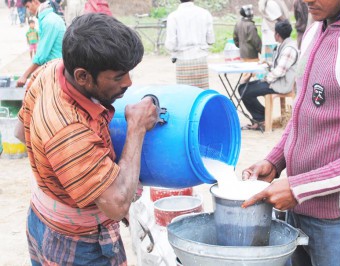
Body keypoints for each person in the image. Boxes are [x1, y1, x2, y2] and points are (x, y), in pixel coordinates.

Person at [241, 0, 340, 265]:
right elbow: (302, 112)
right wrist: (275, 160)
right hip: (295, 208)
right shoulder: (314, 30)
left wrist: (299, 187)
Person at [14, 13, 157, 265]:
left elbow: (20, 131)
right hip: (78, 244)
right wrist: (136, 128)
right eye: (118, 76)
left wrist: (70, 175)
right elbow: (117, 206)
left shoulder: (51, 70)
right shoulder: (70, 130)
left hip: (42, 216)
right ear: (82, 76)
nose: (128, 82)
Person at [239, 20, 298, 131]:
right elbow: (281, 65)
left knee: (244, 90)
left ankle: (262, 117)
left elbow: (280, 71)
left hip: (281, 84)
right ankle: (260, 117)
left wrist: (265, 79)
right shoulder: (285, 45)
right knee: (243, 88)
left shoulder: (289, 49)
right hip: (277, 81)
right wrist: (268, 63)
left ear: (277, 35)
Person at [165, 0, 215, 89]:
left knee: (185, 93)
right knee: (202, 93)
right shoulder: (205, 13)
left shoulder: (173, 16)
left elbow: (170, 45)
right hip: (200, 60)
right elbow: (211, 40)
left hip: (182, 61)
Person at [16, 0, 66, 87]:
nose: (28, 10)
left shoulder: (49, 21)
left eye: (28, 6)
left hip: (56, 69)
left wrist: (25, 75)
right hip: (54, 67)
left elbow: (42, 55)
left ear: (35, 2)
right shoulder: (48, 18)